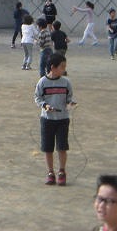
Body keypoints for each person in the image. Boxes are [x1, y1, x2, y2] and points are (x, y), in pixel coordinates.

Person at [34, 53, 76, 186]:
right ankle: (50, 172)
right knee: (48, 148)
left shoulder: (66, 82)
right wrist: (45, 105)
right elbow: (37, 97)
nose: (64, 69)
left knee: (62, 147)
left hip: (63, 119)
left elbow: (69, 97)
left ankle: (62, 171)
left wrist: (70, 103)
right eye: (62, 67)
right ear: (53, 67)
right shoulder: (42, 82)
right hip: (47, 119)